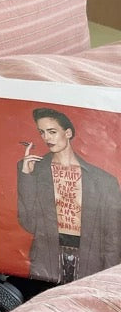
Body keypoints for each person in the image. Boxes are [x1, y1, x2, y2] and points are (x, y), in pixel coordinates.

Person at [17, 106, 121, 283]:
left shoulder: (104, 180)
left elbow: (113, 237)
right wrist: (26, 177)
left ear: (68, 133)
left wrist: (108, 280)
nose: (46, 138)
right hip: (46, 259)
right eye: (42, 132)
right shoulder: (32, 169)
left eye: (52, 131)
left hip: (91, 262)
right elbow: (29, 223)